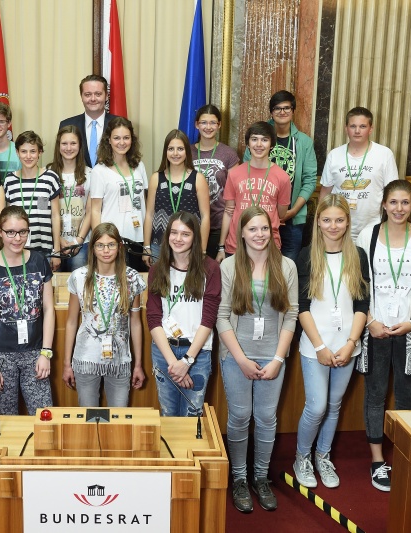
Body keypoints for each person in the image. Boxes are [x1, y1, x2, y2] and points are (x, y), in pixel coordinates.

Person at [355, 180, 411, 492]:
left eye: (405, 203)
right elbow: (358, 284)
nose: (398, 208)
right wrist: (370, 321)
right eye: (393, 202)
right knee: (375, 395)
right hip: (375, 329)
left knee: (407, 396)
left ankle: (405, 455)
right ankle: (377, 460)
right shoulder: (367, 235)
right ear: (383, 204)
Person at [217, 205, 298, 513]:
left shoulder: (286, 266)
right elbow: (222, 318)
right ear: (242, 232)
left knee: (266, 418)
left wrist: (278, 359)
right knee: (239, 417)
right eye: (252, 229)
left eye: (264, 228)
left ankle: (260, 477)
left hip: (273, 356)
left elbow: (291, 316)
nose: (259, 234)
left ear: (272, 230)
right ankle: (239, 479)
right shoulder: (228, 267)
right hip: (237, 355)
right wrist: (240, 359)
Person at [292, 194, 369, 490]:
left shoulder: (357, 255)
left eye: (339, 220)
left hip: (347, 344)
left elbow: (363, 305)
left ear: (347, 222)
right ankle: (302, 457)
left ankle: (322, 456)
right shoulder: (307, 255)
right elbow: (302, 308)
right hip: (316, 345)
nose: (333, 226)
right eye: (327, 220)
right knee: (317, 406)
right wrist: (321, 347)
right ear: (318, 223)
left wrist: (351, 343)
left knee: (334, 405)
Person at [0, 206, 55, 415]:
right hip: (1, 356)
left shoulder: (39, 260)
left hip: (35, 353)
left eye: (22, 231)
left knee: (44, 416)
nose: (17, 238)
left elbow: (48, 309)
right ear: (0, 232)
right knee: (6, 417)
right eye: (10, 232)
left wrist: (46, 353)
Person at [63, 223, 146, 406]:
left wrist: (138, 364)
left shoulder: (131, 278)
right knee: (89, 420)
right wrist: (66, 363)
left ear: (119, 247)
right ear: (92, 248)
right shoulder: (79, 277)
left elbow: (136, 323)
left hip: (119, 360)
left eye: (111, 245)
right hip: (86, 359)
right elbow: (71, 322)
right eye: (100, 245)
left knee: (118, 420)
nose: (106, 250)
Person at [147, 212, 221, 416]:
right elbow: (153, 319)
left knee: (192, 415)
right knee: (168, 414)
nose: (178, 239)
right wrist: (174, 364)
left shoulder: (210, 269)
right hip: (165, 352)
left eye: (185, 234)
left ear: (195, 237)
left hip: (197, 353)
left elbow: (208, 320)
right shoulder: (157, 270)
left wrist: (187, 361)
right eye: (174, 233)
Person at [244, 91, 317, 263]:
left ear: (293, 111)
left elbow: (310, 180)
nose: (282, 112)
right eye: (277, 108)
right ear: (271, 111)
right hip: (259, 218)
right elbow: (247, 175)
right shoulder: (258, 138)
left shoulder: (304, 142)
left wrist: (292, 211)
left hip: (291, 219)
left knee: (287, 268)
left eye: (286, 108)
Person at [320, 106, 399, 242]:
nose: (357, 131)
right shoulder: (334, 155)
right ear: (346, 129)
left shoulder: (384, 154)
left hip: (374, 226)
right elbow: (325, 192)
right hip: (338, 227)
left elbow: (393, 193)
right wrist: (320, 221)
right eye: (353, 126)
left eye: (362, 126)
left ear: (370, 129)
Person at [219, 121, 290, 258]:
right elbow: (228, 212)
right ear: (248, 144)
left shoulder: (282, 177)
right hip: (236, 246)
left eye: (264, 140)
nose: (258, 145)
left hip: (269, 246)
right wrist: (221, 247)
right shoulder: (234, 174)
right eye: (254, 139)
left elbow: (281, 214)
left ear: (271, 144)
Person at [90, 116, 148, 271]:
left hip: (138, 238)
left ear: (132, 140)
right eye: (116, 138)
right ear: (108, 140)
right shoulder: (99, 171)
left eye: (126, 138)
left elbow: (146, 204)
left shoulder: (139, 166)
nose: (122, 142)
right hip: (112, 240)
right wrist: (100, 242)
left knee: (135, 286)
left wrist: (147, 243)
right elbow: (95, 210)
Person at [143, 129, 210, 264]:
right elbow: (149, 214)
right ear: (165, 152)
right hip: (159, 246)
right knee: (160, 284)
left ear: (187, 151)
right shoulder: (156, 178)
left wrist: (201, 250)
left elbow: (205, 216)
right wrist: (146, 247)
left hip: (189, 247)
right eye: (171, 149)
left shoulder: (198, 179)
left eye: (180, 149)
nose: (175, 153)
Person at [3, 131, 62, 271]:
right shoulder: (9, 181)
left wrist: (57, 250)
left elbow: (55, 215)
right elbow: (7, 219)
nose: (28, 156)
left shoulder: (50, 178)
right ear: (17, 152)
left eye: (33, 151)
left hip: (45, 249)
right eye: (23, 151)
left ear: (40, 152)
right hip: (17, 248)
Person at [191, 104, 240, 259]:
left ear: (219, 125)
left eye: (213, 123)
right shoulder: (186, 152)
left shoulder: (229, 154)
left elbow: (235, 193)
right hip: (191, 223)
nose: (208, 127)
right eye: (204, 122)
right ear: (196, 124)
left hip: (219, 224)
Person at [48, 125, 93, 271]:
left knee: (79, 287)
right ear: (58, 146)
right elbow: (44, 209)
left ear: (80, 146)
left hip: (82, 242)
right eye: (64, 143)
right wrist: (58, 240)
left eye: (73, 143)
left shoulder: (91, 174)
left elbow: (91, 211)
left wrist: (78, 240)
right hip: (54, 241)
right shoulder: (48, 173)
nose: (68, 148)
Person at [58, 74, 121, 168]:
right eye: (88, 94)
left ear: (107, 96)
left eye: (98, 94)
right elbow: (60, 161)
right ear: (81, 96)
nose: (93, 99)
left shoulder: (119, 124)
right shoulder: (67, 124)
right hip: (78, 181)